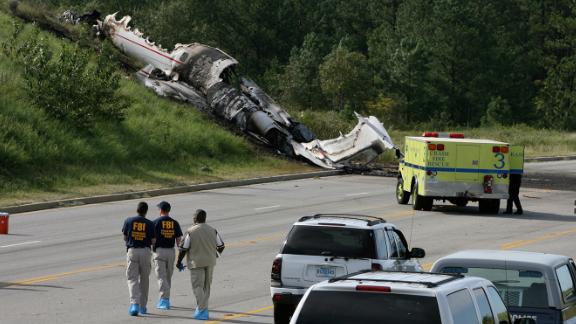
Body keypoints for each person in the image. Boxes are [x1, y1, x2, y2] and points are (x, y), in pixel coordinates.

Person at [176, 209, 225, 320]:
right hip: (210, 262)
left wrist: (178, 262)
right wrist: (215, 255)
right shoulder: (212, 230)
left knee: (197, 286)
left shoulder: (190, 231)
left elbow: (183, 248)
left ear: (195, 218)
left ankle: (202, 310)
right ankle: (202, 308)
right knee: (206, 287)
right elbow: (221, 246)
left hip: (196, 263)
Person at [122, 201, 155, 316]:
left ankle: (134, 304)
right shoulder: (150, 224)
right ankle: (143, 306)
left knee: (132, 279)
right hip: (145, 252)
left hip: (133, 251)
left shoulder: (128, 221)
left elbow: (125, 237)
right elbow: (153, 241)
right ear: (146, 211)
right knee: (144, 279)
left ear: (137, 210)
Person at [152, 201, 183, 310]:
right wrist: (181, 257)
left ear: (160, 210)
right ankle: (166, 298)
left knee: (161, 277)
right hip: (171, 252)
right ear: (168, 210)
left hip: (159, 251)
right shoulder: (175, 223)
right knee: (168, 277)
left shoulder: (155, 222)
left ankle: (164, 300)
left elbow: (152, 240)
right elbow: (179, 242)